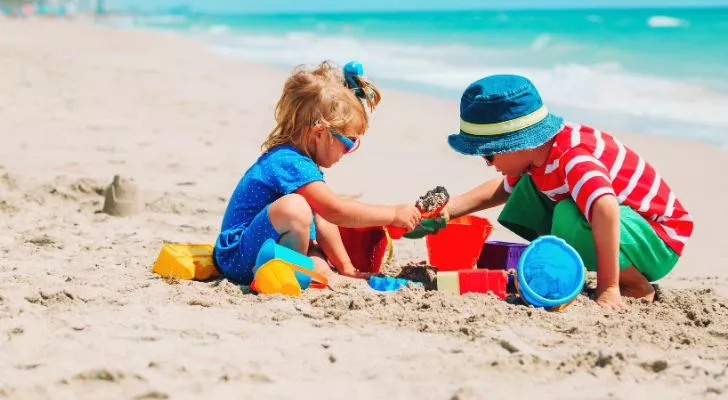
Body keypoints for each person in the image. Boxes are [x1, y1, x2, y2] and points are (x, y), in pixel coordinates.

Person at [406, 74, 693, 310]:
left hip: (658, 240)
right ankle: (577, 265)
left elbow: (605, 207)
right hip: (627, 235)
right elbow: (501, 190)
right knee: (527, 191)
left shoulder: (573, 157)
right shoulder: (537, 158)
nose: (487, 164)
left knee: (569, 211)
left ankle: (635, 285)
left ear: (515, 143)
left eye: (489, 156)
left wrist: (608, 288)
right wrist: (447, 212)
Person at [214, 61, 421, 285]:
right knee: (295, 207)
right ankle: (285, 274)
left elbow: (324, 220)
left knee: (323, 269)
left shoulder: (303, 164)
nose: (348, 152)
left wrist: (346, 268)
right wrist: (393, 214)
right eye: (349, 143)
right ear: (319, 134)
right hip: (238, 257)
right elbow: (335, 210)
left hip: (266, 245)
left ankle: (307, 272)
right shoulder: (287, 161)